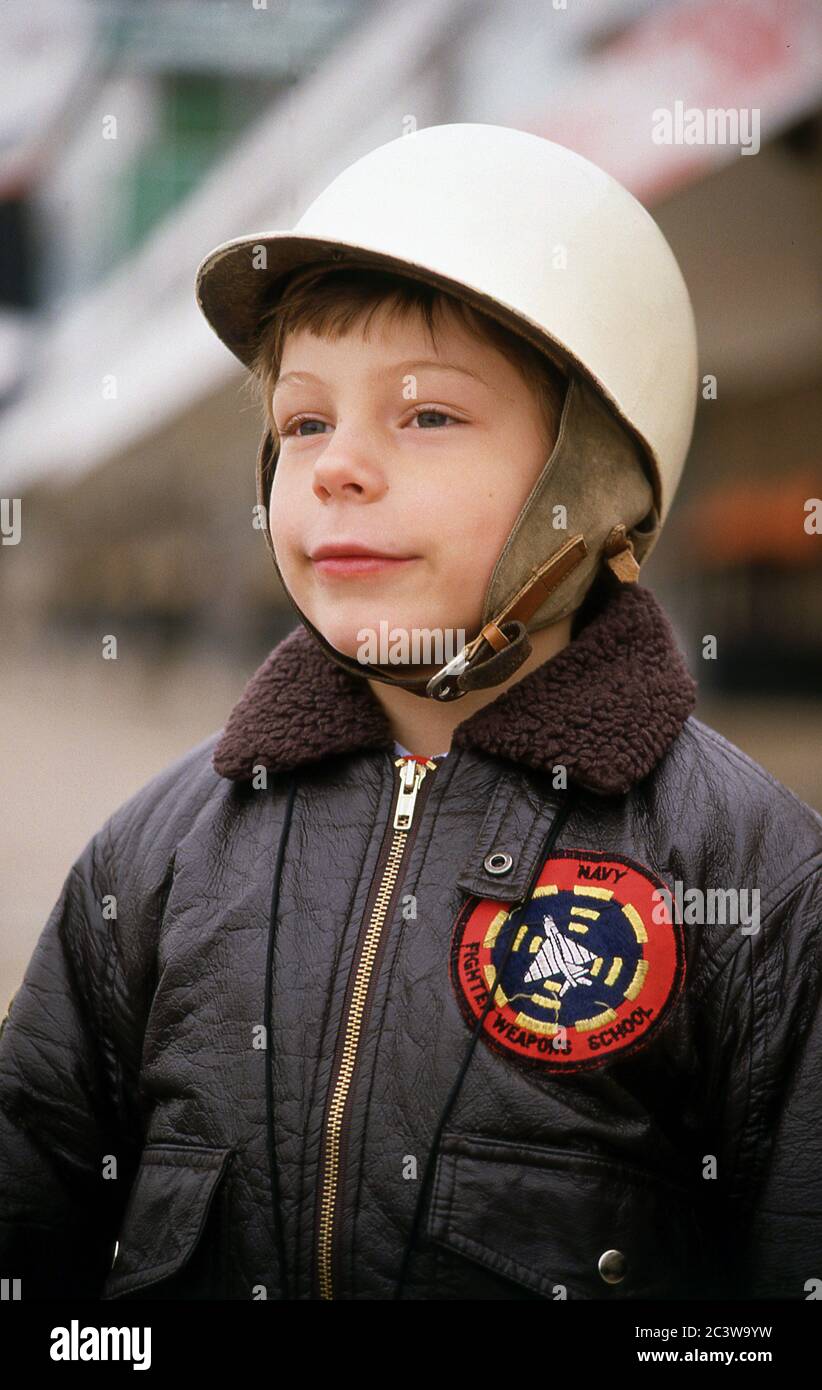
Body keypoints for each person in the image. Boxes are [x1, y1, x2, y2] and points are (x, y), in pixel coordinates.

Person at [1, 123, 820, 1302]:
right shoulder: (153, 855)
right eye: (304, 422)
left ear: (594, 475)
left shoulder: (759, 877)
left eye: (428, 414)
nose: (337, 465)